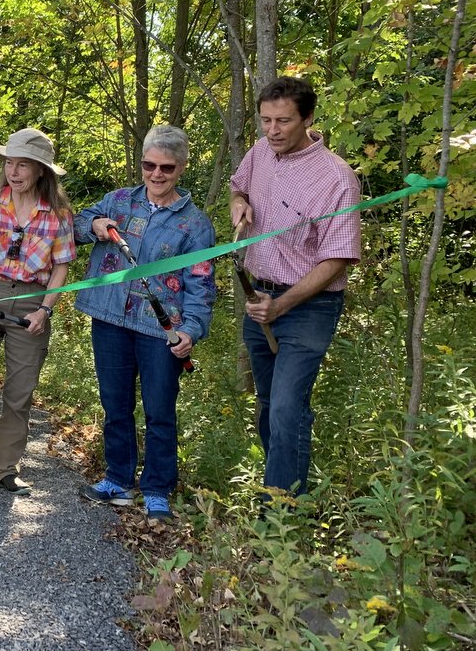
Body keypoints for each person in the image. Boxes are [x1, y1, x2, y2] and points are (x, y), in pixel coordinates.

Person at [75, 125, 215, 524]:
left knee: (159, 410)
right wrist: (94, 226)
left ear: (181, 168)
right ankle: (117, 479)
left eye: (166, 168)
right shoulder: (118, 201)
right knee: (115, 404)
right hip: (111, 319)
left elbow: (201, 283)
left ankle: (157, 488)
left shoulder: (195, 225)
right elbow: (77, 225)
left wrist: (191, 329)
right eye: (148, 165)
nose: (156, 174)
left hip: (160, 327)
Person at [230, 76, 361, 497]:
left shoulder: (336, 178)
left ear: (307, 118)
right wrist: (240, 205)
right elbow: (238, 187)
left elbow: (337, 258)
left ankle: (282, 514)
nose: (273, 131)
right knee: (268, 403)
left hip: (308, 306)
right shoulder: (260, 153)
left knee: (288, 408)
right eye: (266, 120)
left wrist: (282, 306)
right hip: (258, 297)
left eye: (283, 121)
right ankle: (283, 495)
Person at [0, 128, 75, 501]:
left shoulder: (58, 213)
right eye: (9, 162)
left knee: (20, 393)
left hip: (31, 304)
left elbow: (61, 267)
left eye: (24, 165)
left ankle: (6, 469)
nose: (14, 171)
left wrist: (44, 310)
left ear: (41, 171)